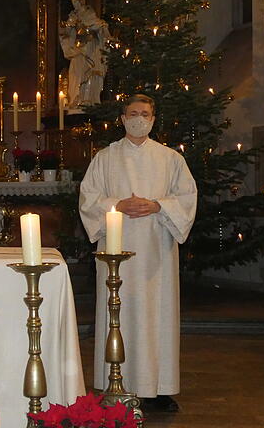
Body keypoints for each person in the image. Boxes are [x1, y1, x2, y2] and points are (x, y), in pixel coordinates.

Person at [78, 94, 197, 412]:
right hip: (116, 252)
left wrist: (158, 205)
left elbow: (186, 198)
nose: (139, 118)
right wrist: (118, 204)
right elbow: (88, 199)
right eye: (133, 113)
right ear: (121, 118)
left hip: (156, 252)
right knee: (119, 311)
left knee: (156, 316)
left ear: (154, 119)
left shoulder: (170, 159)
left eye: (145, 114)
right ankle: (115, 382)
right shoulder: (105, 158)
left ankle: (158, 388)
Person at [59, 0, 110, 110]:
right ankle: (76, 100)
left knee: (91, 74)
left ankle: (89, 101)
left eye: (78, 0)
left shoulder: (89, 13)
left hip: (91, 50)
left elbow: (100, 26)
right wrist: (69, 29)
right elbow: (66, 35)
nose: (77, 3)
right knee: (75, 75)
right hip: (78, 51)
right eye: (74, 1)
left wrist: (97, 28)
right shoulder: (72, 17)